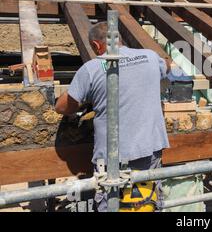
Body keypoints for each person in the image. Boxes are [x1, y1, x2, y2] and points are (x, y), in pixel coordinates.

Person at [55, 22, 170, 212]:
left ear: (97, 45)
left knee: (114, 204)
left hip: (113, 157)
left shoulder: (93, 68)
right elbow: (167, 64)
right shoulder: (150, 56)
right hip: (151, 149)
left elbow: (63, 107)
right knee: (146, 203)